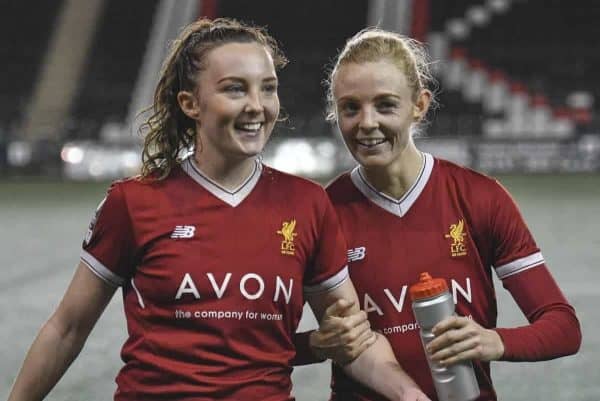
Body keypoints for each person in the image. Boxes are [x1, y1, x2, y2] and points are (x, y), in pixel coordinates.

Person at [7, 18, 432, 401]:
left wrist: (412, 396)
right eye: (235, 88)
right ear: (190, 104)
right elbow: (67, 330)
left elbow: (353, 339)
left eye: (268, 88)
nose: (257, 106)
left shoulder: (307, 204)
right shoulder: (134, 203)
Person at [294, 28, 582, 401]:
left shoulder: (480, 198)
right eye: (351, 107)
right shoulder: (320, 212)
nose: (366, 122)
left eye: (385, 105)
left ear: (419, 105)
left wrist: (494, 341)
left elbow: (563, 327)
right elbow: (264, 340)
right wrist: (318, 344)